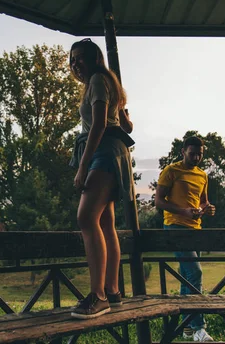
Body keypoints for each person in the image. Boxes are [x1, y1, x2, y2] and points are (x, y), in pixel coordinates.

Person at [68, 38, 136, 319]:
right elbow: (127, 125)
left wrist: (83, 167)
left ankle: (98, 296)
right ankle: (112, 290)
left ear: (96, 59)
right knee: (105, 222)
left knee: (86, 217)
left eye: (80, 58)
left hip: (103, 150)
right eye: (72, 61)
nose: (75, 65)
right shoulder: (108, 82)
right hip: (111, 150)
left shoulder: (97, 79)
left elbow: (98, 124)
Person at [155, 136, 216, 342]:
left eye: (200, 154)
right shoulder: (171, 171)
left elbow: (203, 202)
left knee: (186, 276)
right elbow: (158, 201)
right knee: (195, 272)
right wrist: (183, 211)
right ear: (183, 152)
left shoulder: (202, 175)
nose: (196, 157)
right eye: (192, 154)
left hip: (195, 229)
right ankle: (199, 328)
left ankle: (186, 328)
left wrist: (208, 209)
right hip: (174, 226)